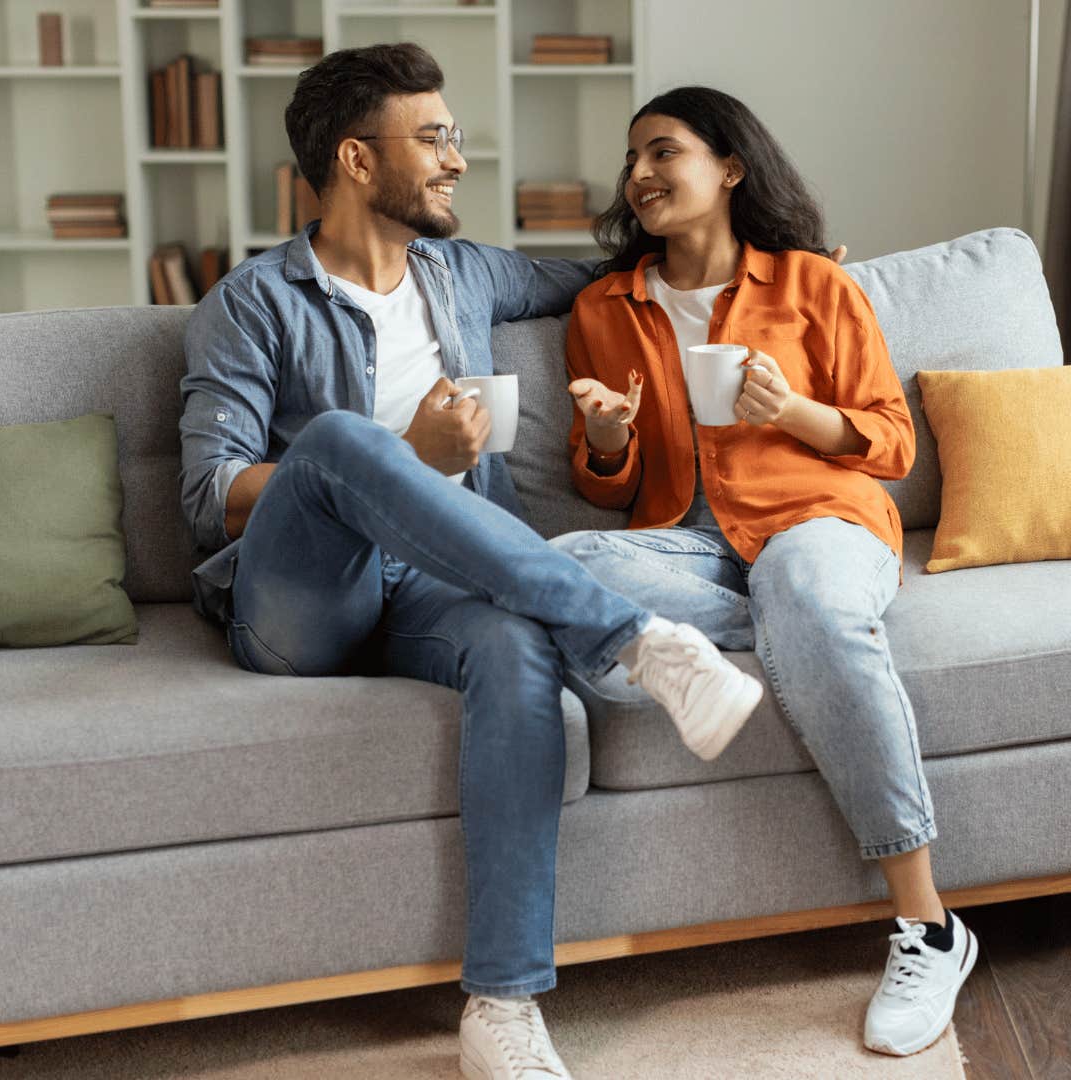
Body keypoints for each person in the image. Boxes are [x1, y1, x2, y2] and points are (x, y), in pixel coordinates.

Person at [177, 46, 767, 1080]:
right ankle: (633, 637)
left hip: (438, 590)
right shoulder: (252, 302)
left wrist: (773, 263)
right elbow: (203, 495)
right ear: (357, 160)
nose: (458, 158)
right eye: (434, 137)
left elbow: (615, 274)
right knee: (342, 444)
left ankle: (502, 1002)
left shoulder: (464, 273)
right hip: (303, 603)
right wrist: (405, 454)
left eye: (454, 135)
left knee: (515, 649)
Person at [551, 86, 978, 1058]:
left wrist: (790, 414)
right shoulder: (603, 309)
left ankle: (928, 926)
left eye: (664, 152)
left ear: (730, 169)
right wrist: (607, 441)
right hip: (691, 544)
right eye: (632, 162)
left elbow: (890, 444)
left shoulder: (815, 287)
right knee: (556, 566)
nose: (641, 175)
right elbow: (606, 490)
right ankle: (797, 629)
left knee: (800, 585)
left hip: (819, 521)